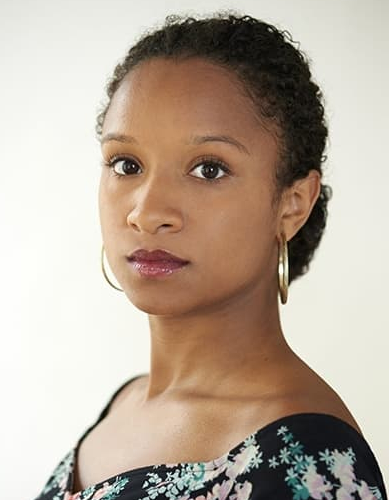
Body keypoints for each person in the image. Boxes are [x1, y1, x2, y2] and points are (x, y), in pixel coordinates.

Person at [34, 11, 387, 500]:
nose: (147, 213)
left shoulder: (305, 461)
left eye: (208, 170)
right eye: (127, 164)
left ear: (292, 204)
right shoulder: (124, 402)